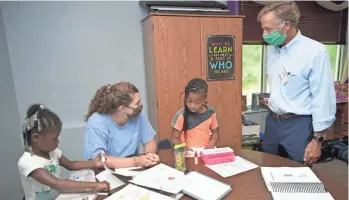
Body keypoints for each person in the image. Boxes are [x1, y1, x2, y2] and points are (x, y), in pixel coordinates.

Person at [257, 2, 336, 165]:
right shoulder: (272, 50)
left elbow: (323, 99)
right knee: (268, 170)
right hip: (272, 122)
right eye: (263, 29)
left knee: (300, 177)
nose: (264, 34)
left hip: (298, 125)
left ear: (286, 26)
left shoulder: (315, 52)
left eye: (268, 29)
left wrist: (317, 139)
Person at [18, 104, 110, 200]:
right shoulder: (28, 162)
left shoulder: (53, 152)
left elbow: (71, 165)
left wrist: (93, 163)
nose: (58, 142)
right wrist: (96, 185)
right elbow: (57, 184)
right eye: (54, 139)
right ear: (36, 138)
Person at [84, 82, 160, 168]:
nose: (140, 105)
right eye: (137, 103)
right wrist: (136, 161)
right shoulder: (96, 122)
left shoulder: (138, 116)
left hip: (133, 169)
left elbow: (149, 141)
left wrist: (150, 155)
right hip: (106, 171)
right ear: (122, 108)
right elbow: (99, 160)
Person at [170, 78, 219, 149]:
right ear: (185, 98)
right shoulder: (181, 115)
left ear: (205, 99)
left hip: (206, 152)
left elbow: (215, 133)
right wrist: (183, 148)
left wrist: (210, 146)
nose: (192, 105)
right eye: (189, 101)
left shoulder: (211, 112)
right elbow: (174, 138)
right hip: (188, 153)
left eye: (197, 102)